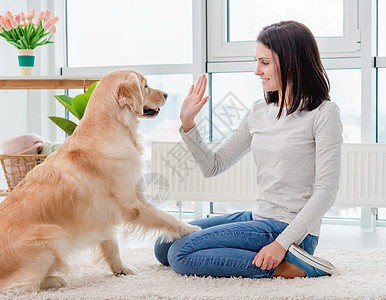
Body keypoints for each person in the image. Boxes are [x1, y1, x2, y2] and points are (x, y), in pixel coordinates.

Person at [154, 20, 343, 279]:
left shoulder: (323, 113)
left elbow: (326, 193)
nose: (257, 71)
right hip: (258, 217)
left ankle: (290, 266)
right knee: (165, 245)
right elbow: (214, 166)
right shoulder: (259, 111)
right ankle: (261, 255)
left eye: (264, 63)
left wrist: (280, 245)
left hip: (292, 230)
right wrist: (188, 123)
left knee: (181, 254)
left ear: (291, 62)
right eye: (257, 62)